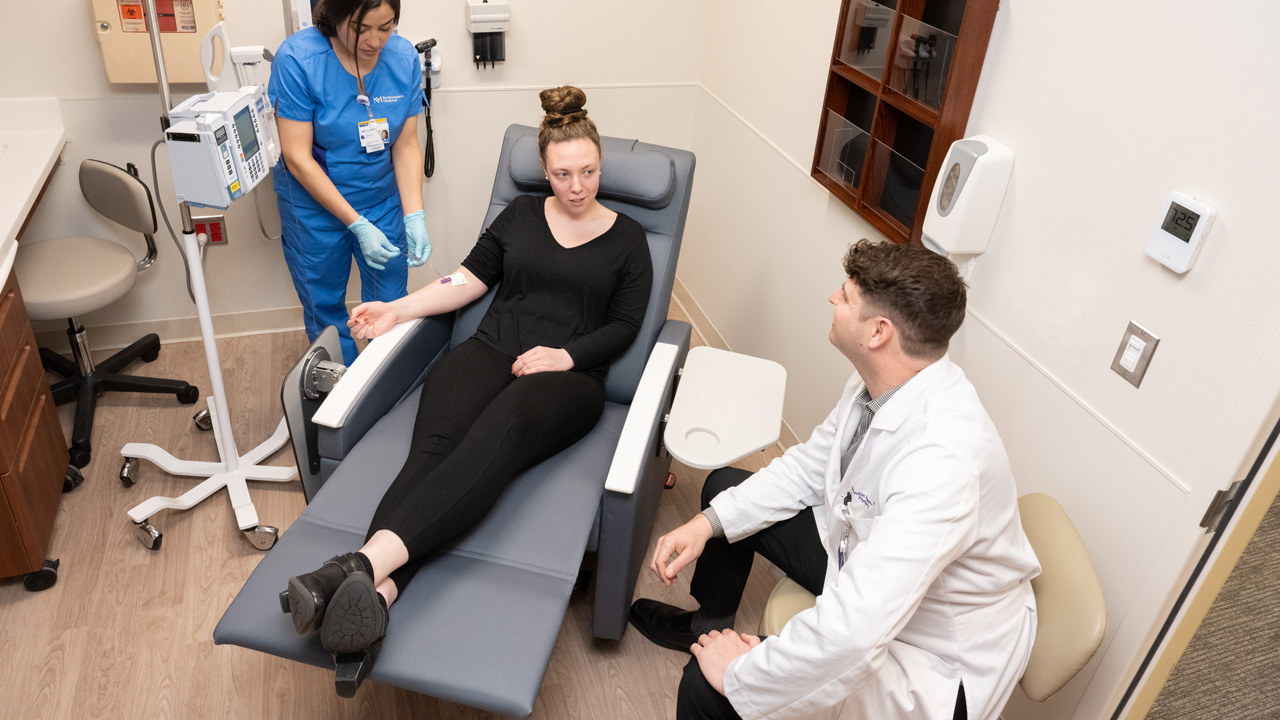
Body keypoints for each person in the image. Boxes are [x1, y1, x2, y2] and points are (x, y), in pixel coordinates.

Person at [278, 86, 654, 698]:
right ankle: (374, 591)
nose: (578, 186)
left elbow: (625, 326)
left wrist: (566, 355)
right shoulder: (522, 216)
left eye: (588, 171)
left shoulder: (629, 239)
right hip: (485, 355)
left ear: (601, 166)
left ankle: (356, 567)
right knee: (429, 456)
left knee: (490, 446)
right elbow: (466, 278)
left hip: (567, 380)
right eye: (563, 174)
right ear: (545, 170)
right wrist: (396, 310)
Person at [628, 240, 1041, 720]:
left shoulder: (945, 462)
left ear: (877, 332)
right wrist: (707, 523)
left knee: (705, 688)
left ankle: (713, 654)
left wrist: (740, 670)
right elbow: (809, 467)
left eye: (845, 296)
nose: (831, 299)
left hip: (934, 646)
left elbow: (857, 631)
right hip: (868, 565)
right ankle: (706, 626)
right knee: (724, 492)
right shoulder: (881, 382)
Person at [269, 0, 431, 365]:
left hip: (379, 196)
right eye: (361, 28)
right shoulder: (298, 59)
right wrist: (356, 223)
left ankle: (381, 386)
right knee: (324, 305)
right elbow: (297, 156)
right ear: (335, 17)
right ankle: (339, 393)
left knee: (389, 300)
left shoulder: (403, 58)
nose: (375, 40)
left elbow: (405, 144)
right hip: (313, 206)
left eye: (386, 27)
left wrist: (414, 215)